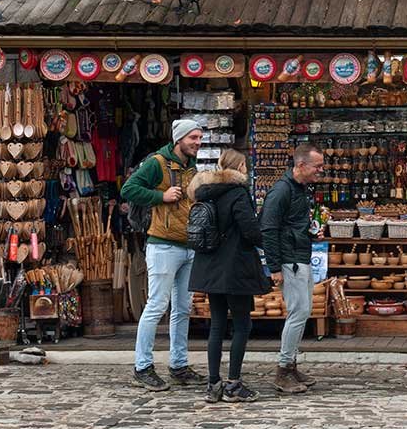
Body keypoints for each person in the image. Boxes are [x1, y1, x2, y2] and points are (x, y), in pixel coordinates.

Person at [121, 119, 205, 392]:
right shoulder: (157, 163)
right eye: (193, 137)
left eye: (200, 138)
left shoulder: (191, 166)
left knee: (182, 308)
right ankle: (142, 365)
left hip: (189, 245)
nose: (198, 142)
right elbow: (128, 189)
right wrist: (161, 196)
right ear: (179, 139)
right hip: (164, 245)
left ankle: (178, 364)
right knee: (157, 305)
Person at [187, 149, 269, 404]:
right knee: (242, 325)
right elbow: (250, 230)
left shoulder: (205, 193)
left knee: (217, 325)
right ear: (239, 167)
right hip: (235, 267)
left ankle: (214, 384)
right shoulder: (237, 193)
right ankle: (234, 383)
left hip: (210, 266)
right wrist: (265, 240)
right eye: (245, 165)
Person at [259, 142, 323, 394]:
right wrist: (274, 266)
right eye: (317, 166)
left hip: (299, 255)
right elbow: (268, 229)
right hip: (290, 260)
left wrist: (308, 232)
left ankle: (291, 365)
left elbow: (290, 225)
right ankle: (283, 369)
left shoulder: (298, 189)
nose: (320, 171)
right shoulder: (281, 191)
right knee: (298, 313)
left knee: (303, 311)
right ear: (301, 165)